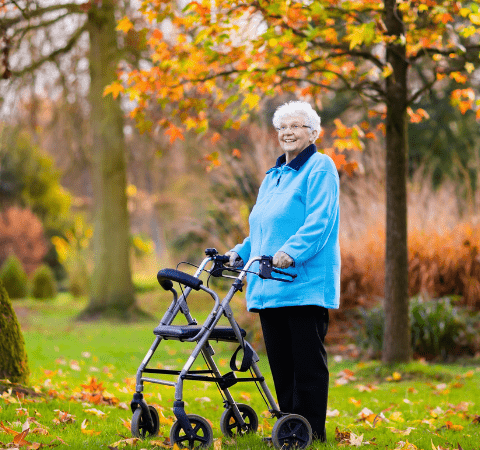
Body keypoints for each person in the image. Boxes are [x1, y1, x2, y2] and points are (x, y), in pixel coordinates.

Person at [226, 100, 340, 443]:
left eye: (296, 126)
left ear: (314, 132)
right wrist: (239, 252)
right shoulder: (273, 177)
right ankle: (291, 430)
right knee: (282, 365)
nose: (288, 132)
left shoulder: (320, 168)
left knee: (306, 365)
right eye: (282, 127)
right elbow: (261, 232)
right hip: (269, 284)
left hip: (303, 283)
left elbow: (320, 221)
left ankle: (312, 433)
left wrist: (291, 251)